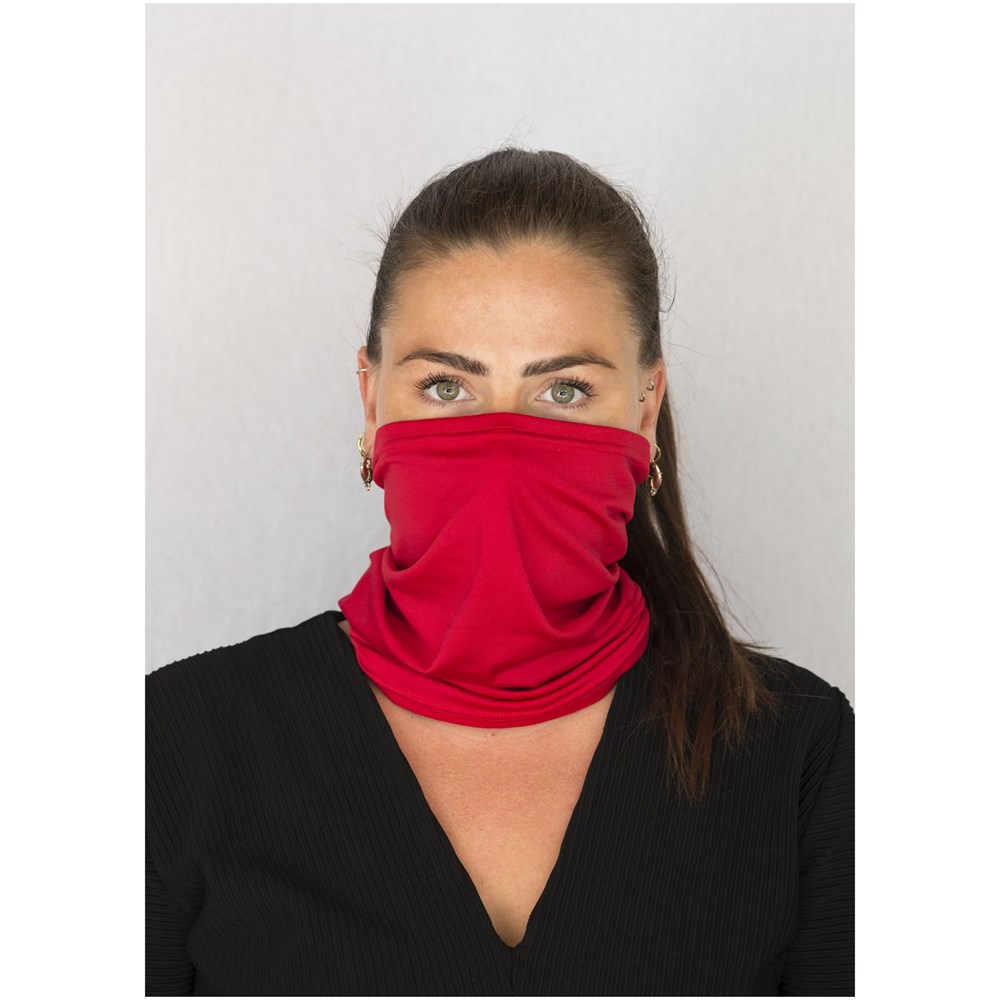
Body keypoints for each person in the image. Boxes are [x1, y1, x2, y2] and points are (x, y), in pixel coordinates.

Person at [146, 147, 854, 996]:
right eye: (447, 386)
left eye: (565, 390)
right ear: (371, 402)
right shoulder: (174, 746)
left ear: (645, 408)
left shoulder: (800, 754)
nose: (503, 443)